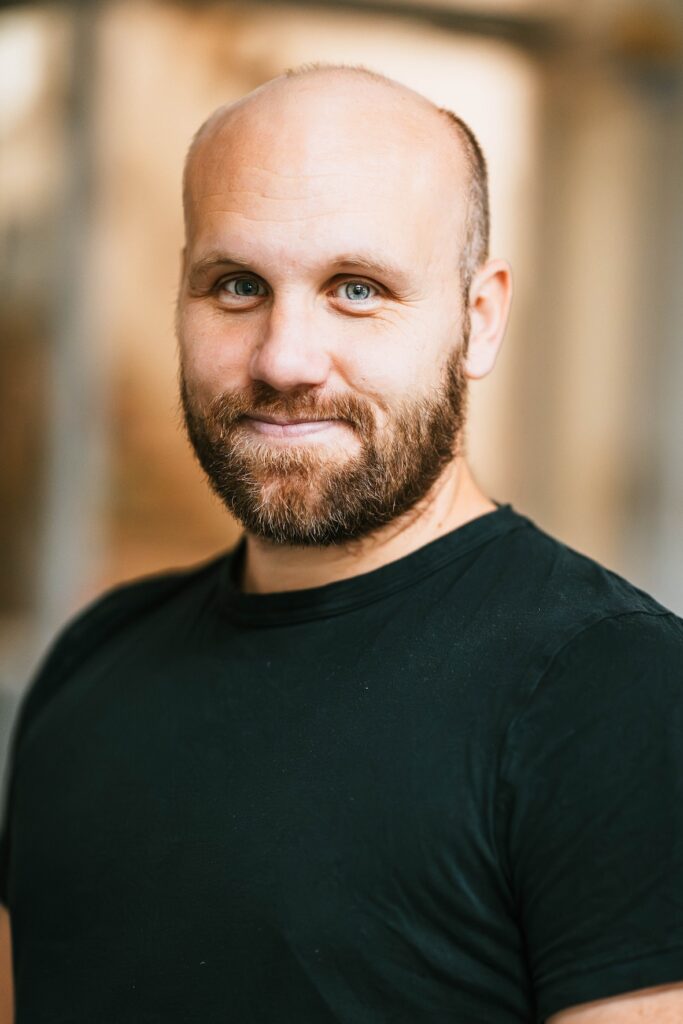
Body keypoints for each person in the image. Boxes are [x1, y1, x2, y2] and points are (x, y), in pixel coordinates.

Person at [0, 62, 682, 1024]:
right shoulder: (94, 657)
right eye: (236, 286)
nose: (284, 358)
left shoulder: (617, 693)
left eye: (356, 289)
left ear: (478, 319)